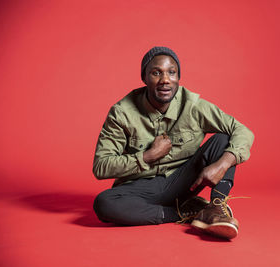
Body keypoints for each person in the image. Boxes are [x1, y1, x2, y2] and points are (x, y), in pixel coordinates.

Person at [92, 46, 254, 239]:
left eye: (172, 72)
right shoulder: (122, 112)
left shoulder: (193, 106)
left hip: (184, 181)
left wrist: (222, 164)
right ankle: (184, 213)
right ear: (144, 78)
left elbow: (242, 131)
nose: (165, 80)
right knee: (104, 203)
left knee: (223, 139)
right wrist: (147, 156)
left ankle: (216, 209)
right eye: (156, 73)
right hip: (142, 188)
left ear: (178, 77)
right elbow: (101, 166)